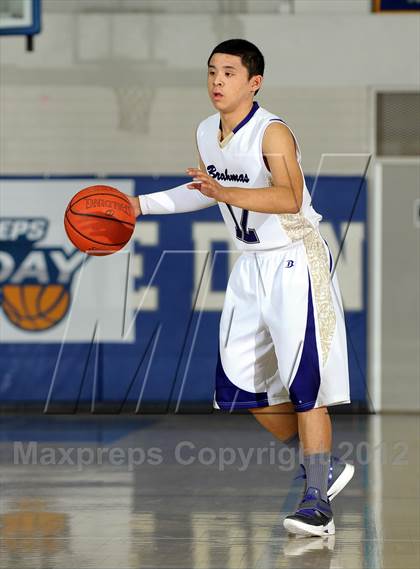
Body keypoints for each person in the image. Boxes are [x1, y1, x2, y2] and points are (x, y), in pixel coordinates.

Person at [127, 39, 354, 537]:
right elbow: (205, 192)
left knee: (305, 387)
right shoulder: (208, 131)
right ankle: (325, 464)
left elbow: (291, 198)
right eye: (211, 71)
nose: (216, 81)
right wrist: (137, 206)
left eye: (229, 72)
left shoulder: (272, 132)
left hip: (296, 259)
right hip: (250, 265)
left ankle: (316, 499)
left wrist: (223, 192)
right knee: (240, 390)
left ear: (254, 82)